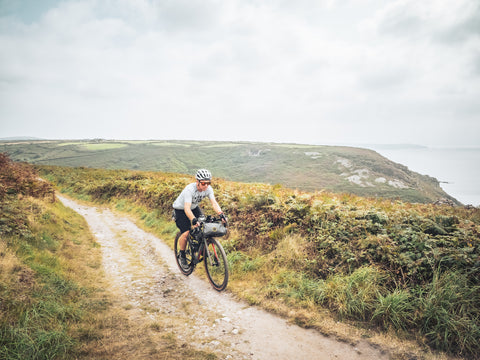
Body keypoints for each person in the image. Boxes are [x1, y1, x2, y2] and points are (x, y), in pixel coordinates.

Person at [173, 169, 225, 268]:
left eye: (208, 183)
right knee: (186, 233)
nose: (206, 185)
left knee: (203, 226)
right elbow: (186, 208)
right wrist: (193, 219)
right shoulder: (189, 190)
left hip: (194, 207)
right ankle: (182, 255)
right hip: (181, 209)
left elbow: (214, 203)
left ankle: (200, 248)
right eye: (203, 183)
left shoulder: (208, 189)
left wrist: (220, 213)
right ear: (197, 181)